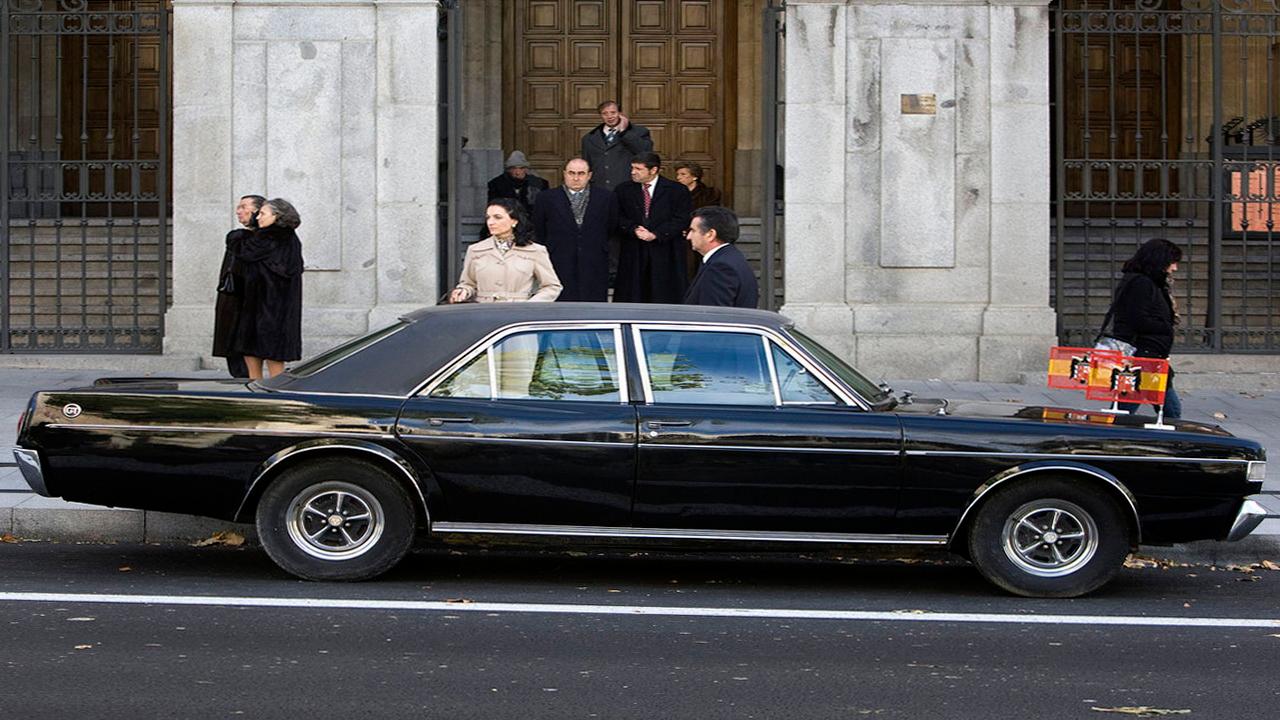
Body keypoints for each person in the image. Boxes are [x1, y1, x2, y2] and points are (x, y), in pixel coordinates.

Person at [1107, 237, 1184, 418]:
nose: (1174, 268)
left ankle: (1113, 433)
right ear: (1159, 260)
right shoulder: (1141, 284)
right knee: (1169, 412)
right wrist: (1166, 326)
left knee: (1130, 407)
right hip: (1143, 356)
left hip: (1151, 354)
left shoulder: (1150, 283)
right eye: (1172, 262)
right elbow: (1137, 318)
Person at [233, 198, 304, 380]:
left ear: (277, 216)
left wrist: (237, 237)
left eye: (262, 214)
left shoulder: (271, 236)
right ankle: (266, 388)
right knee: (264, 350)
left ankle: (262, 390)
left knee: (266, 351)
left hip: (267, 303)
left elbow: (245, 251)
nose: (258, 218)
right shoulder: (289, 238)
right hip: (270, 303)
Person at [532, 158, 617, 302]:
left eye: (581, 173)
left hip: (594, 259)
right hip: (559, 259)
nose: (576, 178)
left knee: (593, 303)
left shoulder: (606, 197)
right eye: (571, 173)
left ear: (589, 175)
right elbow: (539, 228)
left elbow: (611, 227)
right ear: (564, 174)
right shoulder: (546, 198)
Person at [613, 152, 693, 304]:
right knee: (632, 294)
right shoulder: (623, 190)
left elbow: (682, 218)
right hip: (634, 249)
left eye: (638, 169)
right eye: (632, 168)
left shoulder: (676, 190)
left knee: (663, 294)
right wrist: (634, 229)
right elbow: (617, 216)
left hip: (665, 250)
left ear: (653, 170)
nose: (633, 172)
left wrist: (656, 234)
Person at [450, 198, 562, 303]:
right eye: (488, 217)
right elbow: (468, 283)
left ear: (514, 221)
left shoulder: (535, 251)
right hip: (483, 312)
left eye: (497, 217)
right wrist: (463, 291)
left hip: (518, 314)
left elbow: (552, 287)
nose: (490, 222)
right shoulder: (475, 250)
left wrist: (530, 306)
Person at [213, 194, 263, 378]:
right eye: (238, 207)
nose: (238, 211)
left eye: (243, 207)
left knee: (245, 349)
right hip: (231, 299)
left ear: (257, 211)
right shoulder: (238, 238)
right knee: (231, 349)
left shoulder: (261, 239)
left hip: (249, 301)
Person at [683, 205, 759, 309]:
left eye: (693, 231)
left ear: (710, 234)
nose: (688, 237)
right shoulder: (728, 258)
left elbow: (713, 317)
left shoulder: (720, 267)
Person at [581, 100, 653, 192]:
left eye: (613, 112)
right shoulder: (589, 138)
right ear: (601, 116)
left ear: (620, 113)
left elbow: (645, 152)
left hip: (629, 188)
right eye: (605, 113)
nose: (609, 116)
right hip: (600, 189)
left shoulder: (639, 132)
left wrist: (624, 132)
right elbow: (586, 166)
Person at [673, 160, 722, 282]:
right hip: (679, 236)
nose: (679, 177)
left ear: (694, 176)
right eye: (678, 174)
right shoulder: (673, 193)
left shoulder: (709, 194)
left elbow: (710, 214)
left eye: (683, 174)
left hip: (701, 235)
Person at [487, 150, 547, 218]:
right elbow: (493, 207)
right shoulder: (496, 184)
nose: (517, 172)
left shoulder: (539, 184)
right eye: (514, 168)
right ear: (509, 170)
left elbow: (544, 207)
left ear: (526, 169)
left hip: (531, 221)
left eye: (521, 168)